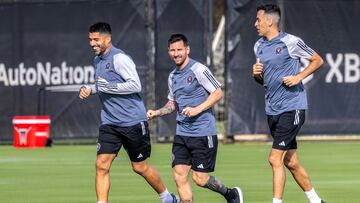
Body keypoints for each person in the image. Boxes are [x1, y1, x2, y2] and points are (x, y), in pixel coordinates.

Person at [79, 22, 179, 203]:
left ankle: (168, 198)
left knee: (139, 167)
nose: (92, 43)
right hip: (110, 122)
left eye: (96, 39)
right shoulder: (97, 60)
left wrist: (106, 86)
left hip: (133, 122)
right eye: (90, 39)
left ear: (107, 39)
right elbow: (104, 85)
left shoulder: (120, 59)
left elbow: (135, 85)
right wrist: (91, 89)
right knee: (101, 165)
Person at [147, 34, 243, 203]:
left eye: (179, 50)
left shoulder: (199, 69)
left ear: (187, 50)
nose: (176, 54)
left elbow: (217, 92)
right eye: (173, 50)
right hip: (182, 134)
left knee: (200, 179)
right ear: (169, 51)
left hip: (203, 133)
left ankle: (230, 194)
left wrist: (197, 109)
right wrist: (158, 112)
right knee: (179, 176)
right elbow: (172, 104)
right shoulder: (172, 77)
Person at [252, 4, 326, 203]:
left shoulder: (290, 41)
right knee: (291, 162)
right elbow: (263, 81)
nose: (255, 24)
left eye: (258, 19)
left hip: (292, 107)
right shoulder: (258, 46)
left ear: (270, 20)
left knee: (274, 159)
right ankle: (317, 201)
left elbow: (317, 60)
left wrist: (298, 77)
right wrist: (256, 75)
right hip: (272, 109)